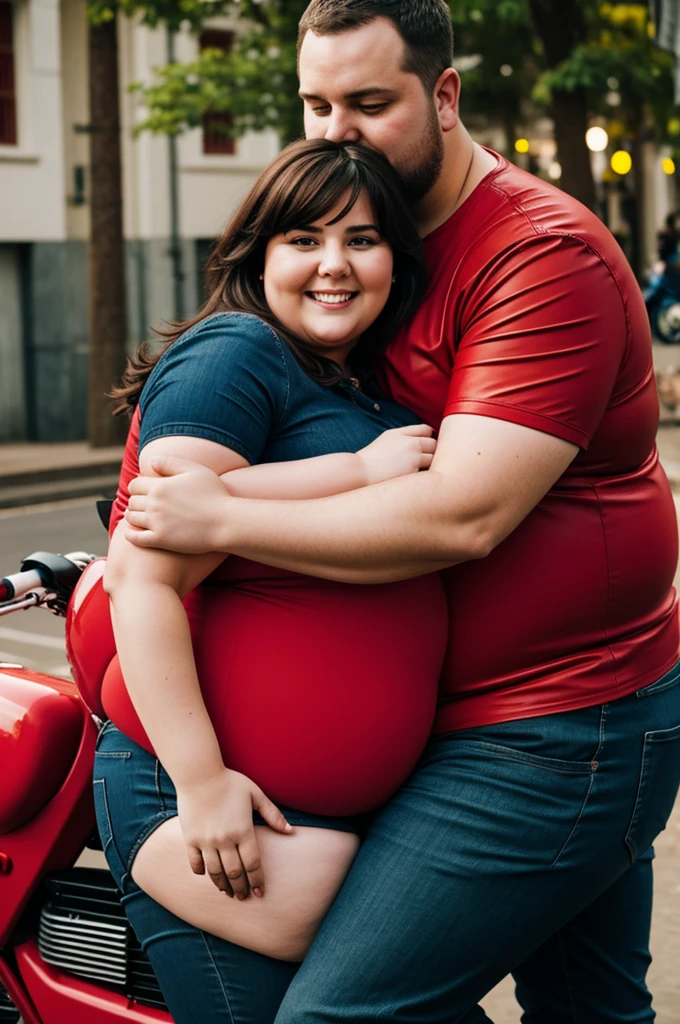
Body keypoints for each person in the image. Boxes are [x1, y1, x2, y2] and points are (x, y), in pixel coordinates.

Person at [123, 1, 680, 1022]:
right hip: (442, 729)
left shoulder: (537, 254)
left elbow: (456, 517)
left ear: (444, 94)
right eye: (315, 104)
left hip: (549, 723)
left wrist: (224, 521)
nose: (336, 132)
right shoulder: (353, 274)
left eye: (368, 104)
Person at [94, 137, 448, 1024]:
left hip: (295, 811)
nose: (334, 265)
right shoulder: (236, 352)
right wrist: (203, 781)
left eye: (362, 241)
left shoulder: (362, 390)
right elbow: (144, 567)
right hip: (203, 797)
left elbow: (214, 506)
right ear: (258, 252)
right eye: (304, 239)